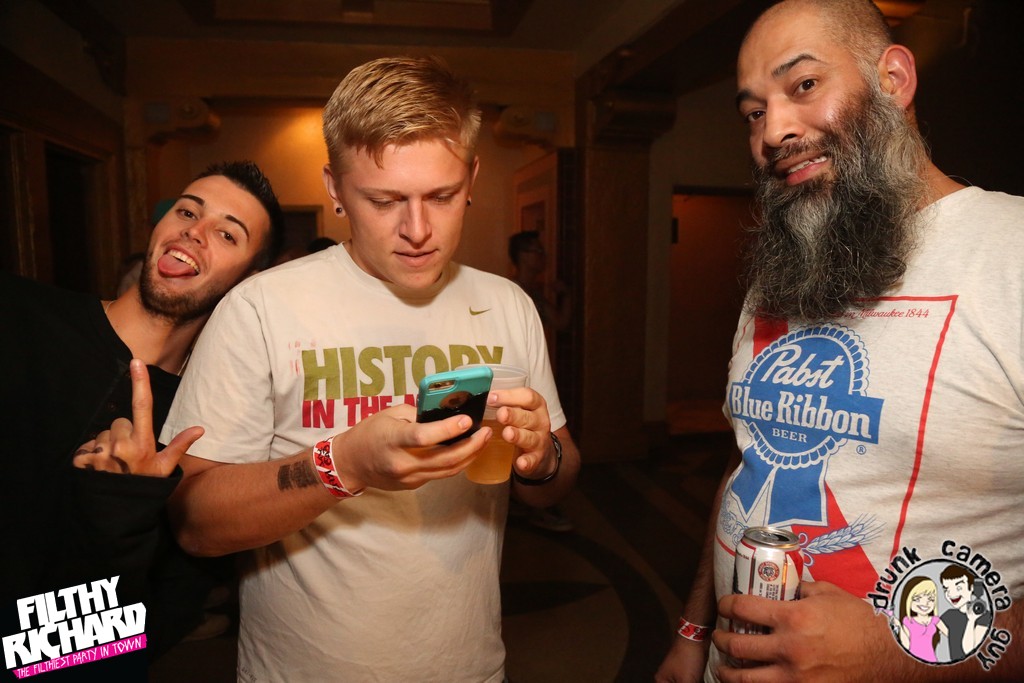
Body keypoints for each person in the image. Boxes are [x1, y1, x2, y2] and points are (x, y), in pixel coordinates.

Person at [158, 56, 580, 682]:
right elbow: (195, 523)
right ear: (334, 188)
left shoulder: (507, 305)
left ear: (471, 177)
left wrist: (540, 458)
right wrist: (344, 465)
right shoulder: (261, 308)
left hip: (469, 667)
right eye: (384, 200)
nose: (418, 230)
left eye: (441, 196)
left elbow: (559, 476)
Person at [655, 1, 1023, 681]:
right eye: (753, 112)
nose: (774, 131)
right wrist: (693, 630)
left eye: (803, 85)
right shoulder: (782, 272)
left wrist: (896, 650)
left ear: (893, 79)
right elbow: (750, 462)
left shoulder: (1012, 254)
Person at [0, 160, 283, 680]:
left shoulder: (208, 427)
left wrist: (120, 508)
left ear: (248, 281)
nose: (194, 231)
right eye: (187, 212)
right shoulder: (18, 313)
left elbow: (140, 631)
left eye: (227, 233)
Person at [506, 230, 574, 532]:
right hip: (515, 383)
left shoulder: (535, 291)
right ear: (520, 256)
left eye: (541, 251)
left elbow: (560, 322)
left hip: (539, 378)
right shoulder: (511, 292)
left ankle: (532, 503)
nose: (541, 257)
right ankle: (530, 505)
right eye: (535, 251)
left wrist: (565, 295)